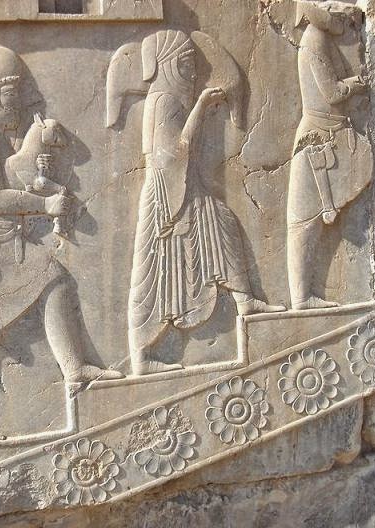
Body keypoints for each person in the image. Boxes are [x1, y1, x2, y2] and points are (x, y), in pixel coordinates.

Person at [0, 46, 123, 445]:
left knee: (55, 280)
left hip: (7, 241)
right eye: (8, 93)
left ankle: (74, 369)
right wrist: (45, 205)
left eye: (18, 94)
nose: (16, 103)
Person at [128, 30, 285, 376]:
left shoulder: (164, 99)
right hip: (166, 193)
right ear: (167, 65)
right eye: (185, 63)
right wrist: (200, 107)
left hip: (181, 186)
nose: (192, 70)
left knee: (220, 223)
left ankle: (245, 301)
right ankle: (142, 355)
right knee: (153, 274)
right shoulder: (163, 101)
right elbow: (170, 154)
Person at [287, 0, 372, 310]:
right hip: (318, 139)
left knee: (308, 222)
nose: (345, 24)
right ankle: (301, 298)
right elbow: (332, 93)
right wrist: (357, 84)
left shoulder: (318, 39)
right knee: (304, 221)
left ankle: (302, 296)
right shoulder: (315, 40)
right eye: (341, 18)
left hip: (326, 135)